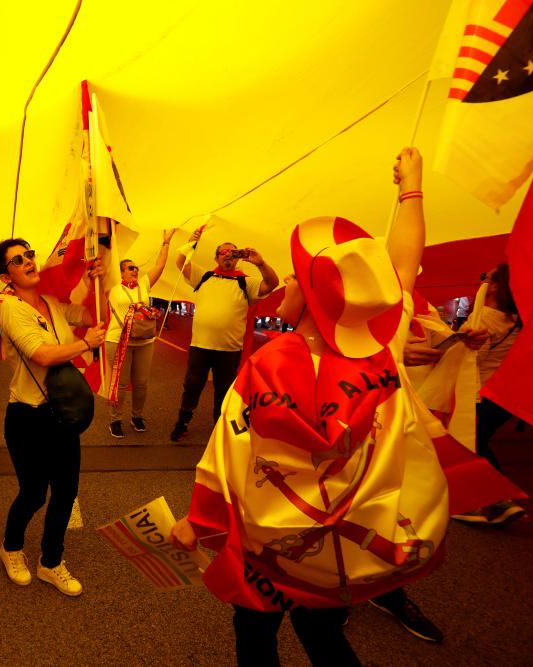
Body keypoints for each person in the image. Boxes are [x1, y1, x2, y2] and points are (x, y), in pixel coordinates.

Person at [170, 148, 448, 665]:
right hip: (342, 556)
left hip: (269, 550)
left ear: (315, 294)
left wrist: (199, 519)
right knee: (323, 636)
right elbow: (404, 271)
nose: (284, 288)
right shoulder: (381, 351)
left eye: (296, 279)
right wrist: (413, 188)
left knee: (254, 634)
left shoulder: (268, 364)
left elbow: (228, 450)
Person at [0, 238, 106, 597]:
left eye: (30, 255)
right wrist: (87, 344)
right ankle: (11, 548)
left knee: (66, 491)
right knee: (34, 493)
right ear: (5, 275)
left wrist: (102, 280)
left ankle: (51, 562)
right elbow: (40, 354)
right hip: (27, 416)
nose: (28, 261)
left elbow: (93, 316)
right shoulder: (10, 307)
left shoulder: (52, 304)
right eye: (17, 260)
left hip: (61, 414)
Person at [169, 234, 279, 442]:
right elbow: (180, 262)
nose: (228, 256)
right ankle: (182, 422)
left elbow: (272, 283)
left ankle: (219, 429)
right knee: (192, 386)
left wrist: (261, 263)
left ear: (238, 257)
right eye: (223, 253)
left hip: (229, 351)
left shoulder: (245, 282)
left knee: (223, 391)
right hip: (200, 347)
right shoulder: (204, 276)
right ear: (216, 257)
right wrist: (192, 242)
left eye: (233, 253)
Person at [452, 263, 526, 525]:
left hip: (480, 396)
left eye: (487, 277)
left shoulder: (483, 319)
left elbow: (469, 361)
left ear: (494, 285)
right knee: (476, 445)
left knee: (473, 446)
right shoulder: (513, 320)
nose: (482, 280)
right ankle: (495, 499)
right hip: (502, 397)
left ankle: (497, 499)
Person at [105, 230, 173, 437]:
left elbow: (160, 266)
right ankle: (115, 419)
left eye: (136, 267)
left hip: (144, 341)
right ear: (121, 272)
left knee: (141, 383)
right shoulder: (112, 287)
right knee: (121, 383)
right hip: (118, 340)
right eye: (130, 268)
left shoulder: (144, 284)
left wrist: (166, 243)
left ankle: (137, 416)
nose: (135, 270)